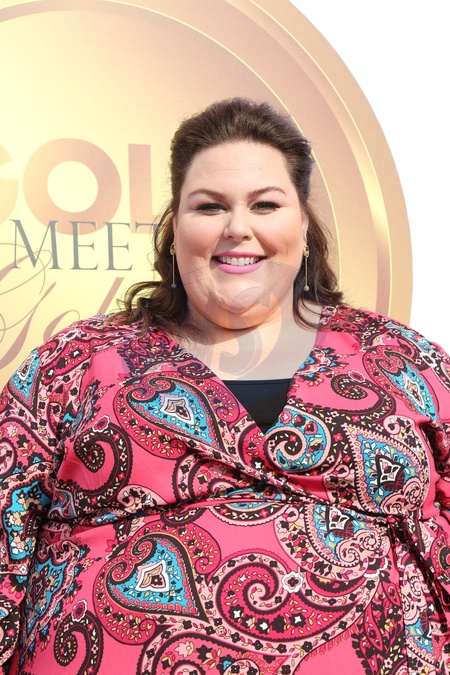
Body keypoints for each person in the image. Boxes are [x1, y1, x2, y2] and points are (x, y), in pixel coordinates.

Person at [0, 98, 449, 675]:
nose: (238, 228)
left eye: (265, 205)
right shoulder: (73, 363)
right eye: (210, 206)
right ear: (174, 229)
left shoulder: (403, 360)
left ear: (303, 226)